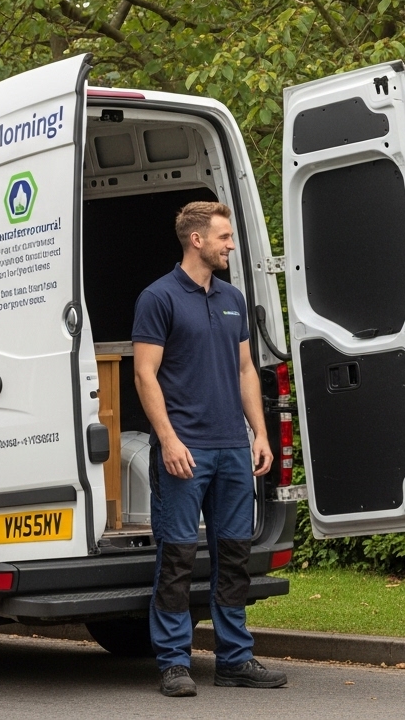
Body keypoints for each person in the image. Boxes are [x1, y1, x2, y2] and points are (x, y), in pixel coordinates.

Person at [133, 200, 288, 698]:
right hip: (186, 451)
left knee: (235, 554)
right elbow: (144, 374)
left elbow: (246, 370)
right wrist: (169, 440)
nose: (231, 245)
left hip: (232, 449)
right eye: (224, 236)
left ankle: (235, 658)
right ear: (196, 239)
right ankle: (174, 662)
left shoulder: (233, 298)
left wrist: (259, 434)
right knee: (178, 556)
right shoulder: (158, 298)